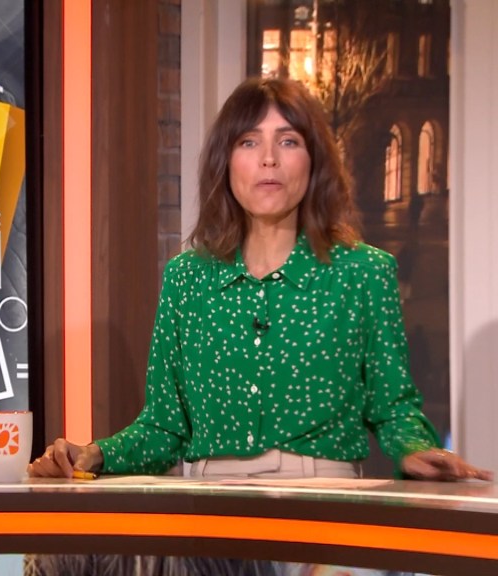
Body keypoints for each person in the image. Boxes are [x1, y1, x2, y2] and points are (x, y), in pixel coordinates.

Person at [30, 77, 491, 482]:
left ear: (314, 161)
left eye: (288, 141)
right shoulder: (187, 279)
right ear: (226, 162)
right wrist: (94, 454)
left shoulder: (363, 273)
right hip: (209, 504)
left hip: (325, 498)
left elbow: (394, 408)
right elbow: (163, 427)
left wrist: (414, 449)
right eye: (249, 142)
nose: (269, 159)